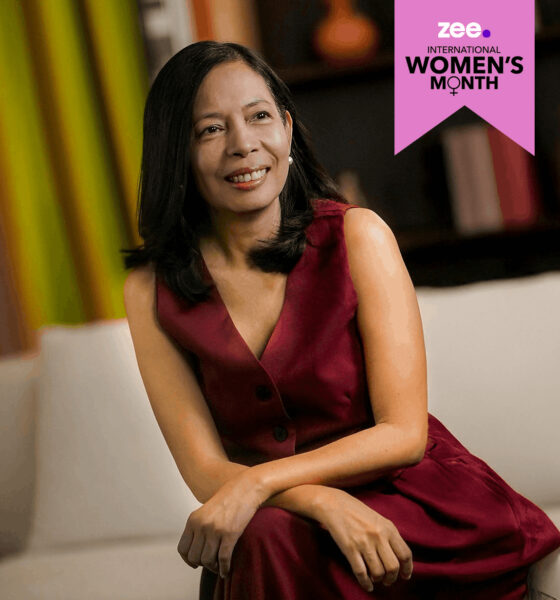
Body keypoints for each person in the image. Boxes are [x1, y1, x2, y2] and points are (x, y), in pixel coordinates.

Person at [122, 40, 560, 600]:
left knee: (263, 532)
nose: (243, 144)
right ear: (175, 152)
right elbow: (204, 468)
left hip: (413, 502)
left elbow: (404, 435)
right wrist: (321, 501)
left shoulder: (359, 235)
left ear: (286, 129)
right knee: (265, 536)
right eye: (211, 129)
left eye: (259, 117)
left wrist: (258, 482)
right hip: (279, 522)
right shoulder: (150, 290)